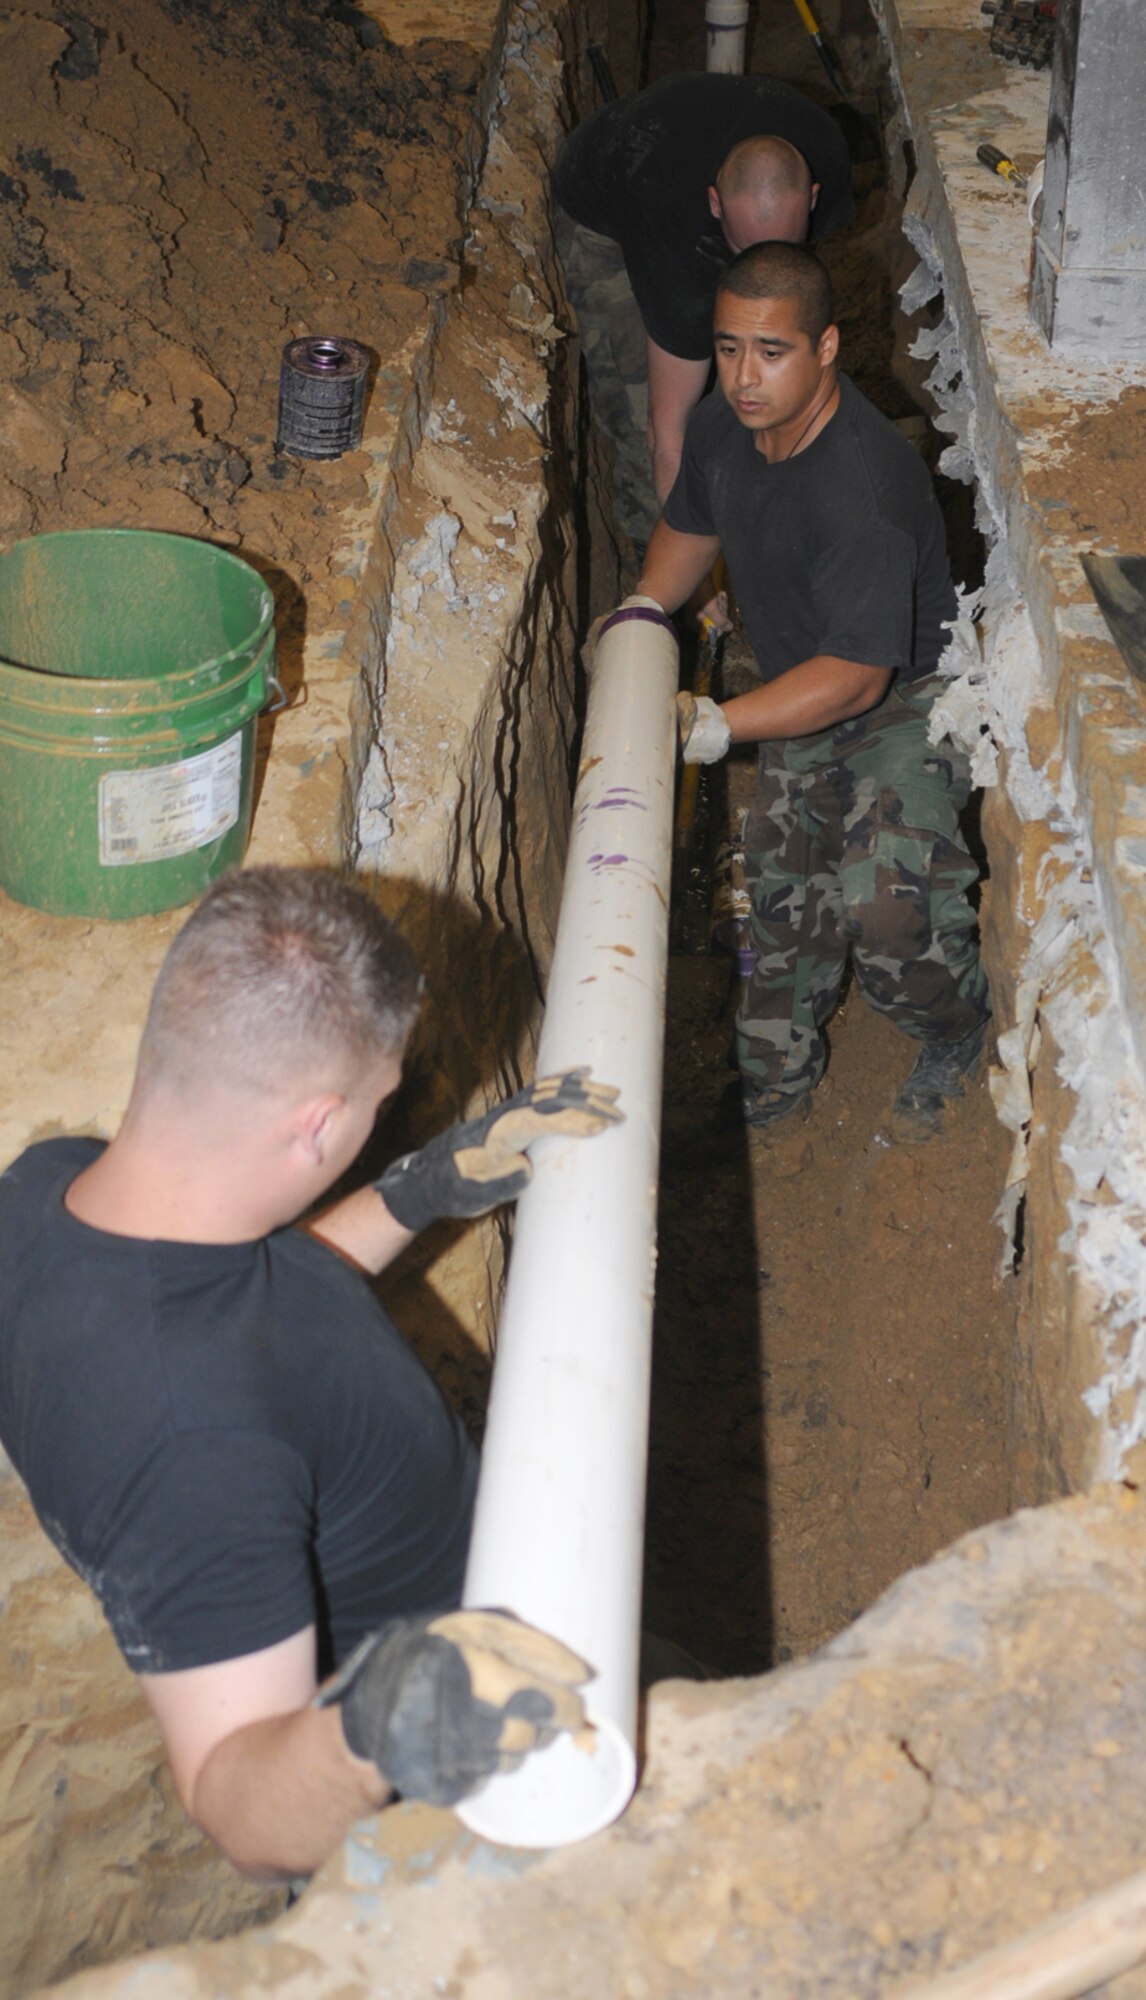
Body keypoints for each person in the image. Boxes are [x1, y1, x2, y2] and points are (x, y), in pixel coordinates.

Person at [0, 866, 623, 1881]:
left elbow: (251, 1298)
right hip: (465, 1759)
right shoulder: (195, 1451)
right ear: (319, 1125)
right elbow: (242, 1813)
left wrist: (419, 1190)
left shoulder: (48, 1187)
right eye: (381, 1102)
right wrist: (382, 1721)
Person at [630, 240, 990, 1134]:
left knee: (886, 907)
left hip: (906, 699)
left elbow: (858, 680)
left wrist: (714, 724)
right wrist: (636, 615)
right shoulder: (724, 428)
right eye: (727, 348)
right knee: (784, 906)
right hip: (807, 683)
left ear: (827, 347)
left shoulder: (862, 486)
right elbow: (690, 528)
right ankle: (774, 1093)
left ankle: (956, 1030)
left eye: (772, 351)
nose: (744, 376)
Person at [553, 71, 854, 557]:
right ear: (715, 204)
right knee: (638, 409)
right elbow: (666, 434)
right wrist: (693, 576)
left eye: (783, 248)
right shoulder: (674, 237)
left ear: (813, 198)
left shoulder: (828, 159)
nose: (760, 275)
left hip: (681, 155)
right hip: (607, 209)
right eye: (746, 252)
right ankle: (650, 565)